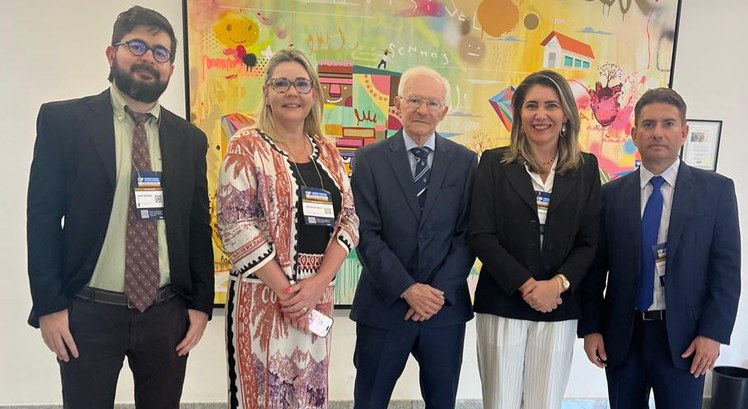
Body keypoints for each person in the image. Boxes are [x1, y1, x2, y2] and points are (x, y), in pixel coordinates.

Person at [26, 6, 214, 408]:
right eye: (138, 46)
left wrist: (200, 305)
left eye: (161, 53)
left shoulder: (190, 140)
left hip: (166, 313)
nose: (149, 59)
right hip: (87, 312)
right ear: (112, 55)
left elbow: (197, 226)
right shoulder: (65, 122)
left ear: (171, 67)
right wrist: (50, 307)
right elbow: (41, 219)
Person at [578, 88, 741, 409]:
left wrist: (713, 333)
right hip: (623, 336)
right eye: (649, 124)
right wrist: (592, 328)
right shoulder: (610, 195)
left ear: (684, 133)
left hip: (685, 339)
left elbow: (726, 271)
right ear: (634, 133)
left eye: (668, 124)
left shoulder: (716, 192)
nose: (658, 133)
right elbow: (595, 269)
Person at [216, 48, 359, 409]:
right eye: (281, 84)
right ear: (266, 92)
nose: (292, 93)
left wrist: (317, 285)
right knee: (265, 397)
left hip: (317, 299)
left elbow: (350, 219)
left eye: (300, 83)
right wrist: (289, 292)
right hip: (263, 299)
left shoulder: (327, 151)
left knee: (310, 396)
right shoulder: (246, 145)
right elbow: (235, 223)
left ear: (314, 93)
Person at [469, 70, 601, 409]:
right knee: (501, 402)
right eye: (531, 106)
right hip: (503, 302)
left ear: (567, 114)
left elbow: (589, 241)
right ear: (519, 114)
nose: (541, 115)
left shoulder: (585, 168)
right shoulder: (494, 163)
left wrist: (556, 285)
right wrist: (528, 286)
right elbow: (481, 235)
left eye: (551, 105)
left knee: (545, 402)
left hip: (559, 305)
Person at [350, 66, 477, 409]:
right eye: (415, 100)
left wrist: (434, 295)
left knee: (442, 401)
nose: (423, 110)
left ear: (444, 111)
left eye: (433, 103)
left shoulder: (466, 162)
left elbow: (468, 235)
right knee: (369, 401)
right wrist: (407, 289)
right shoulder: (368, 160)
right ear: (397, 105)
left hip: (443, 310)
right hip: (384, 305)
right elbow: (365, 232)